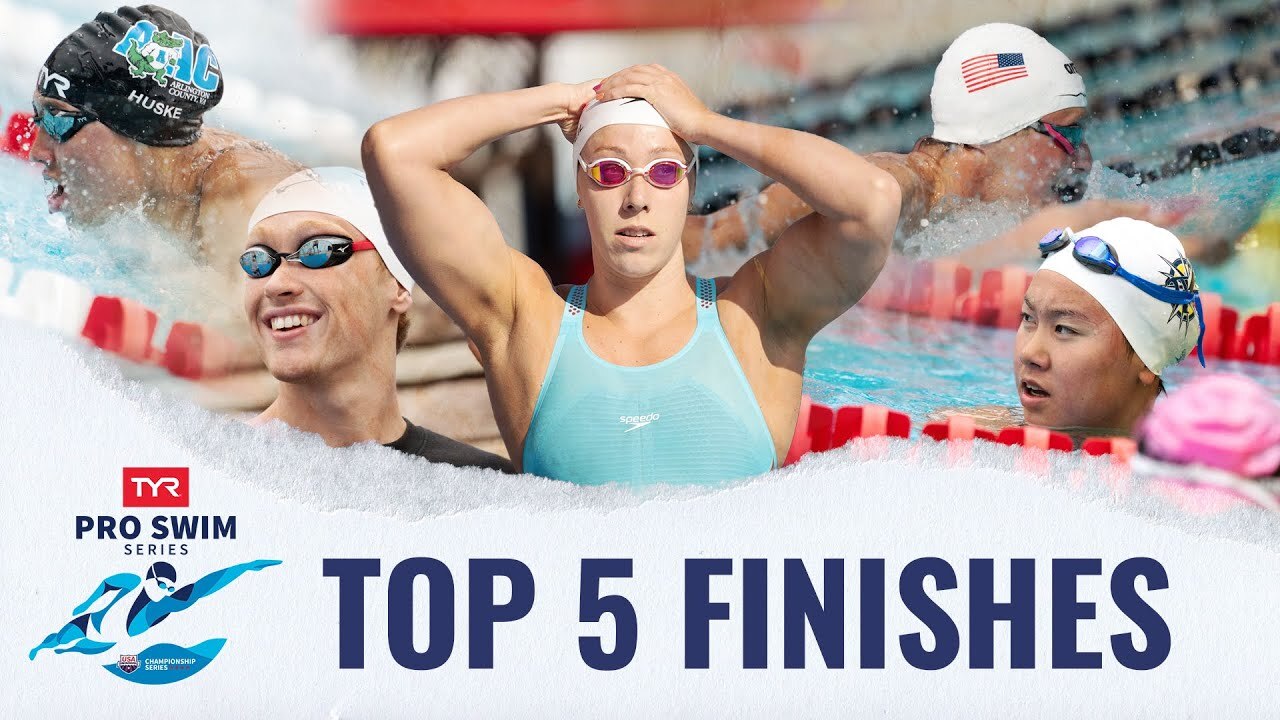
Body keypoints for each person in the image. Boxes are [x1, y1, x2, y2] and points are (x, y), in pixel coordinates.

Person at [362, 65, 901, 484]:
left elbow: (873, 200)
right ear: (579, 187)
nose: (636, 197)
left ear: (691, 187)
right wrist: (566, 100)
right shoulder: (526, 322)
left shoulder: (755, 317)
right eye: (609, 170)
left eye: (664, 171)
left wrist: (704, 125)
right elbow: (393, 151)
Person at [682, 23, 1183, 269]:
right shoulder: (901, 187)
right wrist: (704, 126)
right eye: (1066, 135)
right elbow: (711, 239)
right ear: (998, 135)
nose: (1083, 158)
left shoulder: (969, 211)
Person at [243, 167, 512, 472]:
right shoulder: (216, 479)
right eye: (257, 260)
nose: (275, 284)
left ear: (397, 283)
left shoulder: (482, 483)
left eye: (319, 250)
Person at [29, 5, 300, 272]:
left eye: (58, 120)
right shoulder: (155, 195)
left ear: (135, 128)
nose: (36, 152)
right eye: (38, 117)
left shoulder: (244, 203)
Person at [1014, 217, 1206, 437]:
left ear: (1145, 361)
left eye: (1064, 329)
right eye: (1028, 318)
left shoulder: (1185, 458)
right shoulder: (985, 430)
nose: (1028, 353)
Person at [29, 559, 279, 659]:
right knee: (58, 639)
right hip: (90, 623)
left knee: (77, 648)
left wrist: (243, 568)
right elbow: (106, 585)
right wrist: (86, 604)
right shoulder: (132, 582)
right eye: (162, 584)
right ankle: (41, 647)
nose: (166, 591)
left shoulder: (158, 609)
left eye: (170, 588)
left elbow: (201, 588)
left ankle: (70, 649)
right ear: (150, 577)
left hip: (111, 639)